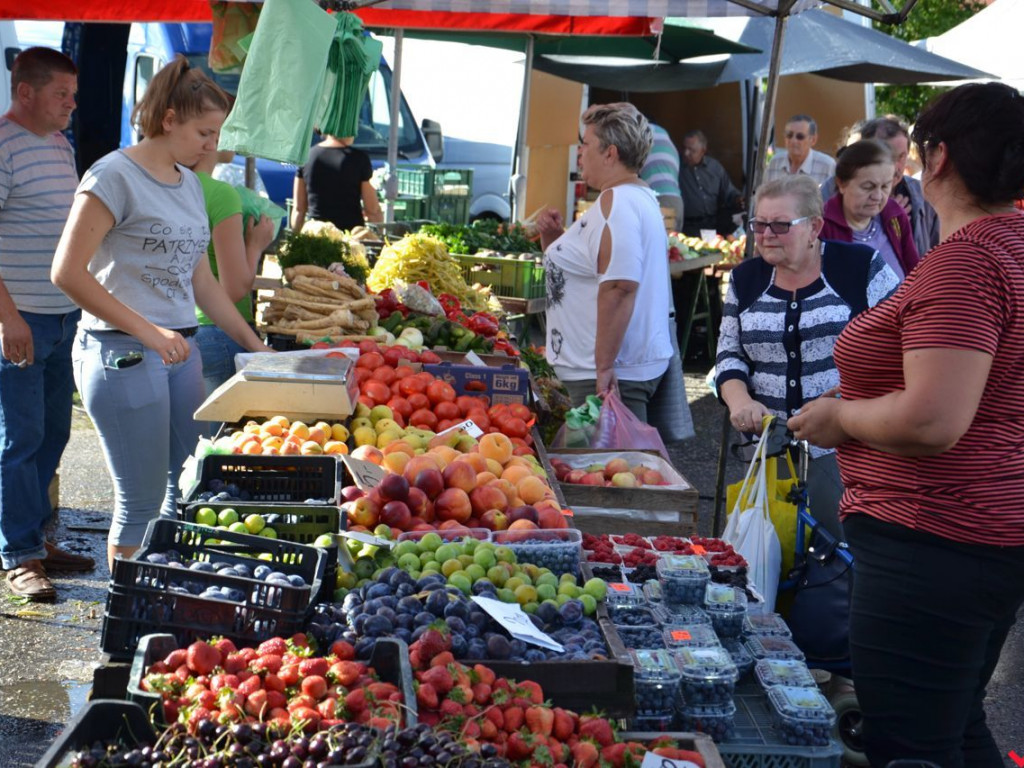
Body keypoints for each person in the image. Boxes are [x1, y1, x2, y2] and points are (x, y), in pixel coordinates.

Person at [788, 82, 1024, 768]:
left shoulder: (970, 260)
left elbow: (932, 420)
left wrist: (840, 417)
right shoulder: (1009, 247)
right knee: (952, 729)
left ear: (938, 158)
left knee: (909, 743)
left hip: (934, 537)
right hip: (981, 533)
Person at [50, 57, 271, 570]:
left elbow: (202, 282)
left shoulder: (190, 184)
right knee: (141, 499)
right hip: (120, 352)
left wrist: (255, 345)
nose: (211, 145)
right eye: (203, 132)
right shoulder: (113, 175)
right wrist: (150, 332)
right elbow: (67, 272)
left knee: (186, 484)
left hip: (179, 351)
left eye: (216, 132)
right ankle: (123, 614)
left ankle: (163, 591)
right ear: (168, 119)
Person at [715, 174, 899, 539]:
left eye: (780, 225)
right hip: (768, 450)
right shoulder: (746, 279)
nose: (766, 234)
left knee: (844, 555)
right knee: (765, 556)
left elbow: (900, 346)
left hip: (848, 451)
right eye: (759, 224)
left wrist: (849, 405)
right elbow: (730, 354)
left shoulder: (860, 266)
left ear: (814, 226)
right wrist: (741, 402)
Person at [0, 48, 95, 601]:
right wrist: (8, 317)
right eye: (63, 94)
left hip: (61, 316)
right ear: (25, 92)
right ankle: (20, 555)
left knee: (54, 431)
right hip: (21, 320)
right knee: (21, 437)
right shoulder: (4, 145)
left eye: (74, 94)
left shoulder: (60, 145)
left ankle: (35, 538)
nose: (72, 105)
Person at [536, 103, 673, 422]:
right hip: (597, 370)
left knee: (603, 467)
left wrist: (604, 367)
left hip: (601, 376)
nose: (580, 152)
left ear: (610, 153)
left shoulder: (619, 202)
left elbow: (619, 286)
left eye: (585, 143)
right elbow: (594, 269)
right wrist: (556, 240)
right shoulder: (634, 197)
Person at [190, 146, 275, 396]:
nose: (234, 143)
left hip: (183, 330)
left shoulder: (172, 185)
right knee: (220, 432)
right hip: (222, 332)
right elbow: (234, 290)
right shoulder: (221, 194)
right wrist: (255, 245)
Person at [822, 116, 940, 258]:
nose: (895, 166)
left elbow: (936, 251)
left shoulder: (922, 193)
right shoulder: (831, 189)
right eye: (887, 154)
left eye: (901, 156)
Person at [819, 139, 919, 281]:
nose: (877, 196)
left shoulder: (895, 215)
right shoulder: (821, 227)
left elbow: (915, 273)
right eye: (868, 187)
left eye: (885, 186)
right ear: (841, 183)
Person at [290, 133, 382, 233]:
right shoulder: (359, 159)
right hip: (350, 237)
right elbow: (372, 210)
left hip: (316, 235)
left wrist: (296, 238)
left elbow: (299, 209)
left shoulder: (307, 156)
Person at [679, 129, 744, 237]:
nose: (686, 153)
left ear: (703, 151)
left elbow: (729, 192)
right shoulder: (677, 167)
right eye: (684, 148)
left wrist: (739, 199)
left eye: (691, 150)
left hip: (712, 225)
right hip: (688, 226)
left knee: (711, 252)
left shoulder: (714, 168)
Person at [764, 114, 836, 187]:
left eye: (800, 136)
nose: (793, 140)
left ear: (813, 140)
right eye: (789, 135)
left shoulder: (827, 166)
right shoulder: (775, 162)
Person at [638, 122, 683, 231]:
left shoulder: (642, 133)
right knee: (672, 244)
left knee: (658, 244)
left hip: (660, 200)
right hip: (677, 200)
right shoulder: (663, 136)